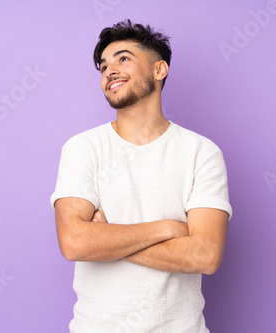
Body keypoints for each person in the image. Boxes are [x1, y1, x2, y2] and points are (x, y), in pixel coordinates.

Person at [50, 19, 232, 333]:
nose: (109, 70)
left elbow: (205, 254)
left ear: (159, 70)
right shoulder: (83, 148)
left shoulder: (202, 152)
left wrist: (108, 240)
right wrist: (169, 229)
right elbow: (75, 242)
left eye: (123, 58)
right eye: (104, 65)